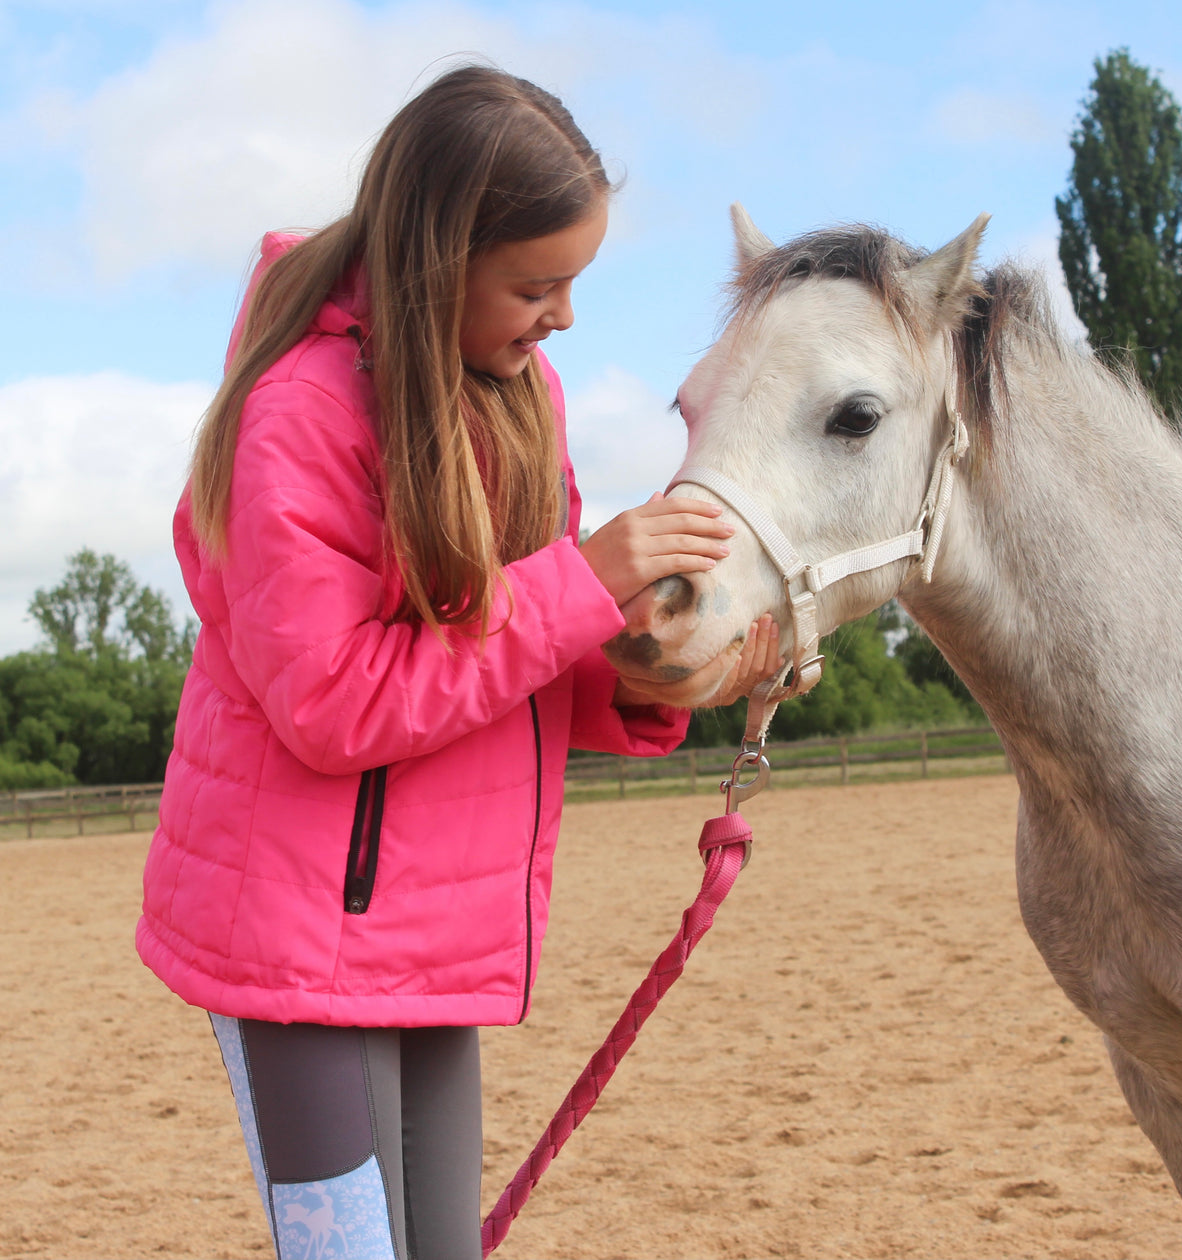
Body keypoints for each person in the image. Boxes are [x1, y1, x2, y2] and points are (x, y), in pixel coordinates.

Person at [135, 64, 778, 1260]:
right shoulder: (300, 417)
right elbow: (333, 700)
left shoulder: (520, 399)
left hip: (434, 927)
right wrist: (581, 582)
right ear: (439, 262)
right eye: (537, 285)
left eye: (574, 282)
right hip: (293, 938)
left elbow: (513, 659)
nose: (564, 318)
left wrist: (657, 664)